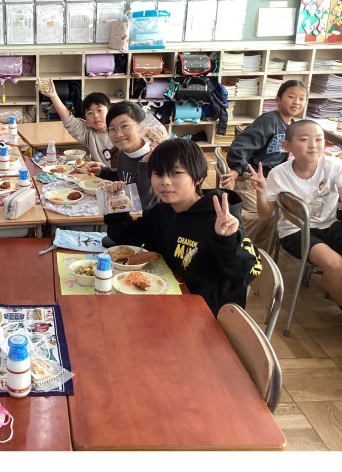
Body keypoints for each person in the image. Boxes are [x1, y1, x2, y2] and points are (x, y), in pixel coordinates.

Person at [104, 138, 261, 316]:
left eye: (176, 173)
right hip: (167, 298)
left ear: (198, 177)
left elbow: (245, 273)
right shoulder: (162, 211)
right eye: (157, 173)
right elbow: (128, 238)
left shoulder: (220, 219)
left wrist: (228, 240)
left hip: (207, 313)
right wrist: (117, 208)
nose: (165, 181)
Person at [251, 119, 342, 306]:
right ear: (287, 146)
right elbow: (265, 215)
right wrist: (261, 192)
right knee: (335, 265)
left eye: (319, 139)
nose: (313, 145)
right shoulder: (278, 174)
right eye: (304, 139)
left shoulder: (334, 165)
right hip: (295, 232)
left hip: (330, 225)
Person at [221, 80, 308, 247]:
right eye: (291, 96)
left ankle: (260, 251)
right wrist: (237, 170)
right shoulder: (269, 121)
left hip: (271, 180)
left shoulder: (293, 128)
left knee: (282, 213)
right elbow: (240, 146)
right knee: (259, 215)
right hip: (252, 179)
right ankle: (236, 247)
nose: (296, 102)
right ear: (278, 99)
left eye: (302, 98)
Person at [81, 101, 158, 211]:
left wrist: (145, 164)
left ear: (142, 125)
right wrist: (103, 171)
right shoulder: (123, 153)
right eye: (112, 129)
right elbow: (124, 178)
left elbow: (144, 203)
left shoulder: (157, 158)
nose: (118, 134)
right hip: (125, 214)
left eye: (124, 126)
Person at [36, 78, 116, 168]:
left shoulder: (120, 132)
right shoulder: (88, 133)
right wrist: (53, 96)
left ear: (110, 111)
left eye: (99, 110)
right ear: (86, 119)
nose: (95, 116)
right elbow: (68, 120)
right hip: (99, 175)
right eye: (90, 113)